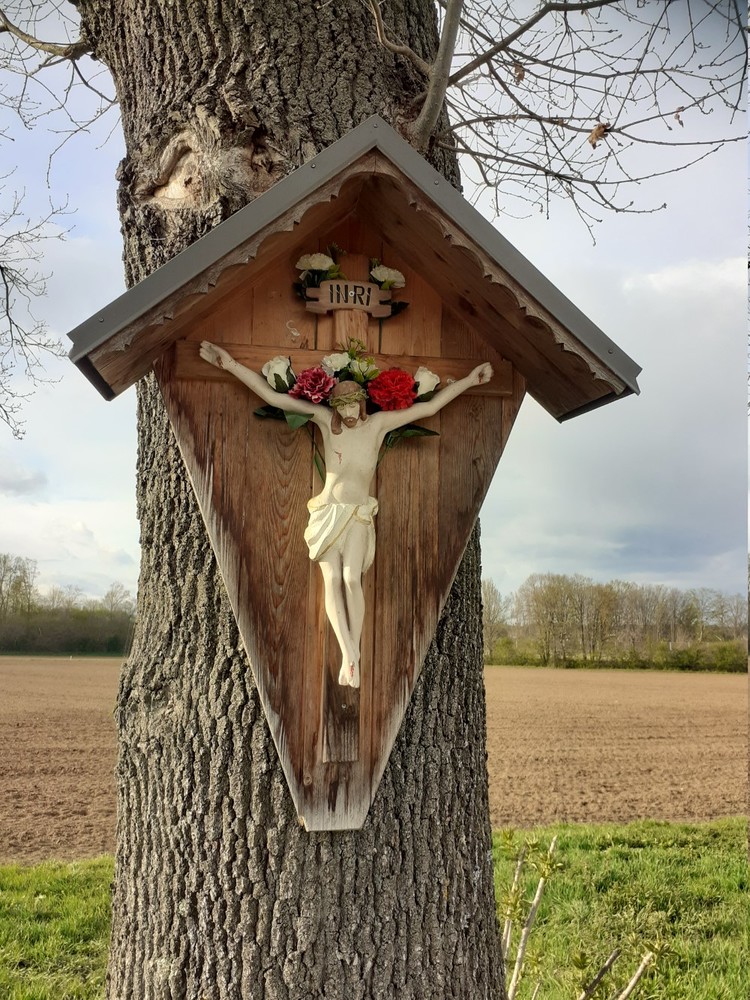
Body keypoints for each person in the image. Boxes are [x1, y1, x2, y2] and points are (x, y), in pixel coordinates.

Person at [200, 341, 492, 688]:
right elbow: (276, 399)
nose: (349, 412)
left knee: (353, 578)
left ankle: (354, 652)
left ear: (363, 403)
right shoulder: (326, 422)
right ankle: (349, 654)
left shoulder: (379, 425)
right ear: (334, 408)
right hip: (327, 513)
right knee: (332, 579)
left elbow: (429, 409)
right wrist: (230, 364)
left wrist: (470, 380)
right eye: (342, 406)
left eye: (353, 404)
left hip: (357, 515)